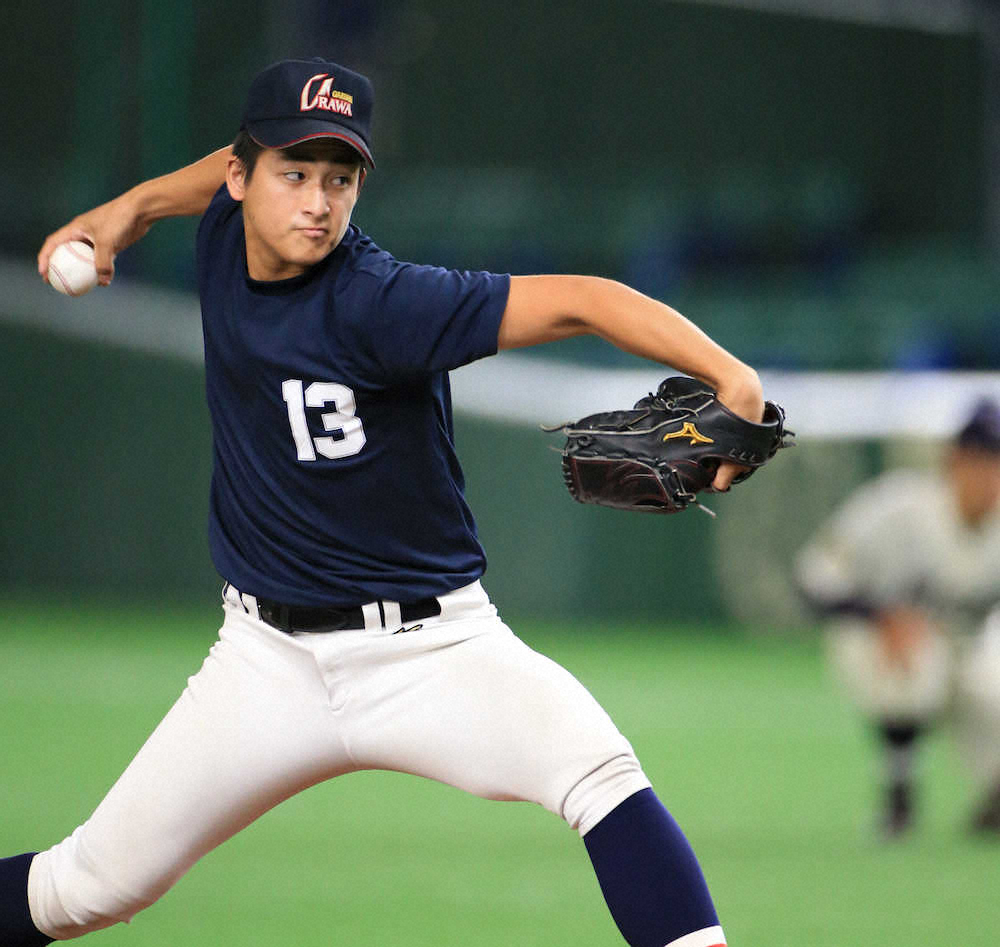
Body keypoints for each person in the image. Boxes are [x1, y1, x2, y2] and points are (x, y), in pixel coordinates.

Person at [1, 58, 766, 946]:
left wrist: (729, 375)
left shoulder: (384, 300)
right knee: (84, 886)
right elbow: (220, 170)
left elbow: (584, 303)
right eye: (295, 174)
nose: (317, 202)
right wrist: (131, 207)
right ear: (240, 180)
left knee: (599, 773)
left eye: (341, 179)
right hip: (263, 660)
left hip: (432, 649)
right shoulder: (221, 227)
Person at [796, 400, 1000, 838]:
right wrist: (878, 616)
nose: (991, 476)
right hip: (877, 642)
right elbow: (813, 578)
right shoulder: (898, 506)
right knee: (918, 656)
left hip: (968, 645)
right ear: (954, 460)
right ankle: (899, 793)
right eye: (982, 460)